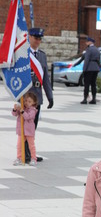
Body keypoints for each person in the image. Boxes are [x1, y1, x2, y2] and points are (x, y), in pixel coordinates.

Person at [28, 27, 54, 163]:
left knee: (34, 126)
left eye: (40, 39)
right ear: (30, 37)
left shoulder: (42, 55)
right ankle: (25, 153)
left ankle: (31, 152)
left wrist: (50, 97)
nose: (38, 41)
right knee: (26, 126)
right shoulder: (24, 54)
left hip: (37, 96)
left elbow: (45, 79)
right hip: (26, 97)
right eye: (36, 38)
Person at [12, 92, 38, 166]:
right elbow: (14, 114)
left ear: (34, 102)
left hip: (29, 131)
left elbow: (28, 117)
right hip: (21, 130)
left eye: (29, 101)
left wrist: (22, 111)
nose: (27, 103)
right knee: (19, 145)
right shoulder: (22, 108)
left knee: (31, 145)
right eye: (26, 101)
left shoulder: (33, 110)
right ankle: (19, 158)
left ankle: (33, 158)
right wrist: (15, 109)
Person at [74, 37, 100, 105]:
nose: (86, 43)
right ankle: (94, 99)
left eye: (87, 42)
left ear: (90, 42)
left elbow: (86, 60)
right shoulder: (97, 49)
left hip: (89, 68)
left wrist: (84, 69)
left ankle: (85, 99)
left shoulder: (89, 49)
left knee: (87, 84)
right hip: (95, 68)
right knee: (93, 84)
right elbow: (98, 60)